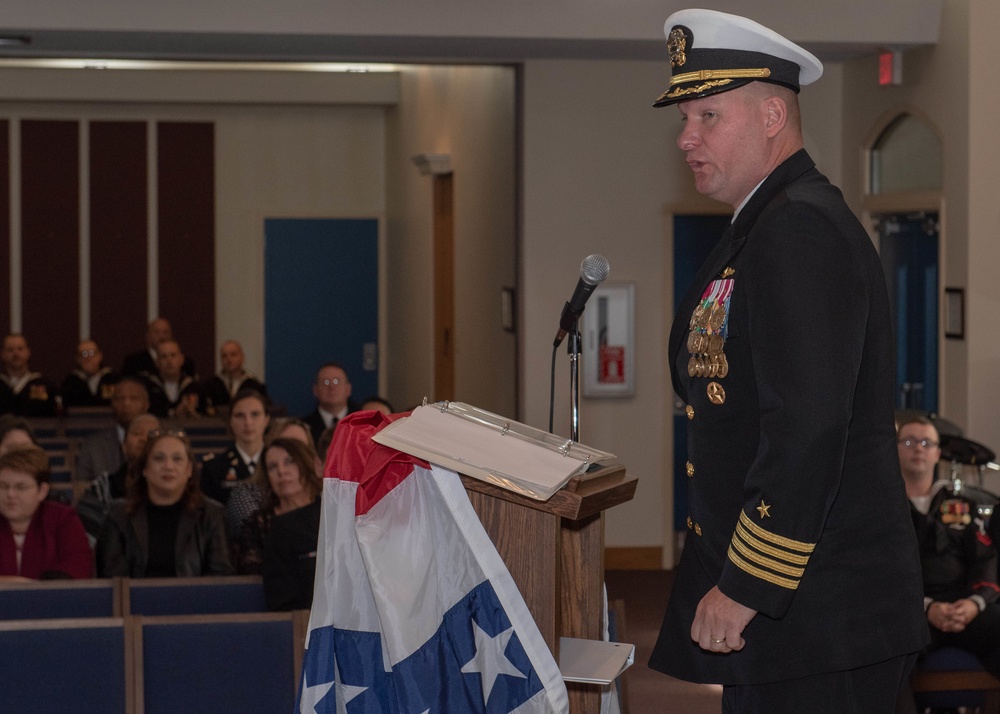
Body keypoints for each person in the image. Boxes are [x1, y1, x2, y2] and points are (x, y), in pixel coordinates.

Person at [645, 9, 927, 710]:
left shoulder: (798, 230)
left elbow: (806, 428)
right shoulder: (762, 226)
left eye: (708, 116)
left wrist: (747, 584)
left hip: (820, 614)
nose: (686, 138)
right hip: (799, 618)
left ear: (773, 115)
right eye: (685, 119)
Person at [898, 416, 1000, 678]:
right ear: (894, 449)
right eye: (909, 441)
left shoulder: (963, 505)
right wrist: (927, 607)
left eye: (926, 442)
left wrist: (974, 604)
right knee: (884, 651)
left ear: (938, 454)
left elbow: (985, 560)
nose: (918, 448)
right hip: (910, 614)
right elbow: (882, 576)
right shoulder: (882, 512)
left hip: (965, 609)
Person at [95, 429, 233, 577]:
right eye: (159, 458)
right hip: (133, 600)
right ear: (144, 469)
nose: (168, 466)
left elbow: (220, 578)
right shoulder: (118, 515)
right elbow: (114, 579)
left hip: (196, 600)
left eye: (177, 459)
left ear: (189, 470)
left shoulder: (212, 515)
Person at [0, 446, 92, 580]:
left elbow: (77, 567)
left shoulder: (63, 519)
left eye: (21, 487)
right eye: (3, 486)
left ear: (42, 491)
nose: (10, 494)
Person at [223, 416, 320, 539]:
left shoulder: (325, 498)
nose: (282, 470)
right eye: (285, 445)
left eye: (299, 447)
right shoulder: (248, 497)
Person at [236, 437, 321, 577]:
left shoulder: (328, 513)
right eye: (272, 467)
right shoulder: (257, 524)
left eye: (290, 462)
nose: (281, 471)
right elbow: (251, 575)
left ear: (306, 464)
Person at [76, 413, 160, 545]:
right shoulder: (102, 489)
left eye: (152, 434)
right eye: (137, 433)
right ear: (124, 446)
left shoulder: (178, 490)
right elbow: (84, 540)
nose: (144, 439)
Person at [200, 389, 270, 506]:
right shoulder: (214, 468)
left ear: (266, 420)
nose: (248, 422)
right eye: (239, 415)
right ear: (230, 421)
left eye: (255, 414)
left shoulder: (277, 463)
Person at [75, 377, 150, 483]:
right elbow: (82, 488)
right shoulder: (92, 445)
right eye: (120, 399)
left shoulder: (160, 441)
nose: (126, 404)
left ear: (146, 404)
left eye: (134, 398)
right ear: (112, 404)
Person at [200, 340, 267, 417]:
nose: (229, 359)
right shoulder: (209, 386)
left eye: (233, 355)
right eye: (224, 356)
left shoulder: (254, 386)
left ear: (242, 357)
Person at [0, 334, 59, 417]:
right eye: (10, 350)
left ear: (28, 352)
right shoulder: (1, 384)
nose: (16, 353)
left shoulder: (45, 385)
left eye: (20, 349)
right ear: (2, 354)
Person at [302, 362, 359, 444]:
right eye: (326, 382)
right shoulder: (304, 428)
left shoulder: (364, 424)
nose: (332, 387)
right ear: (315, 390)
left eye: (336, 381)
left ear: (348, 389)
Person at [121, 318, 196, 379]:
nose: (162, 336)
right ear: (148, 336)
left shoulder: (185, 364)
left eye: (165, 332)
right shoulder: (134, 362)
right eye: (157, 332)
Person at [146, 340, 202, 418]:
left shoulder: (194, 387)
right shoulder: (148, 387)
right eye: (164, 356)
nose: (169, 361)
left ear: (181, 359)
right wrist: (174, 413)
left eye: (173, 355)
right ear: (157, 362)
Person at [61, 339, 117, 408]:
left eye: (92, 353)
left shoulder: (113, 379)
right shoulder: (70, 382)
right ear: (78, 359)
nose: (88, 358)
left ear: (100, 356)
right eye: (84, 354)